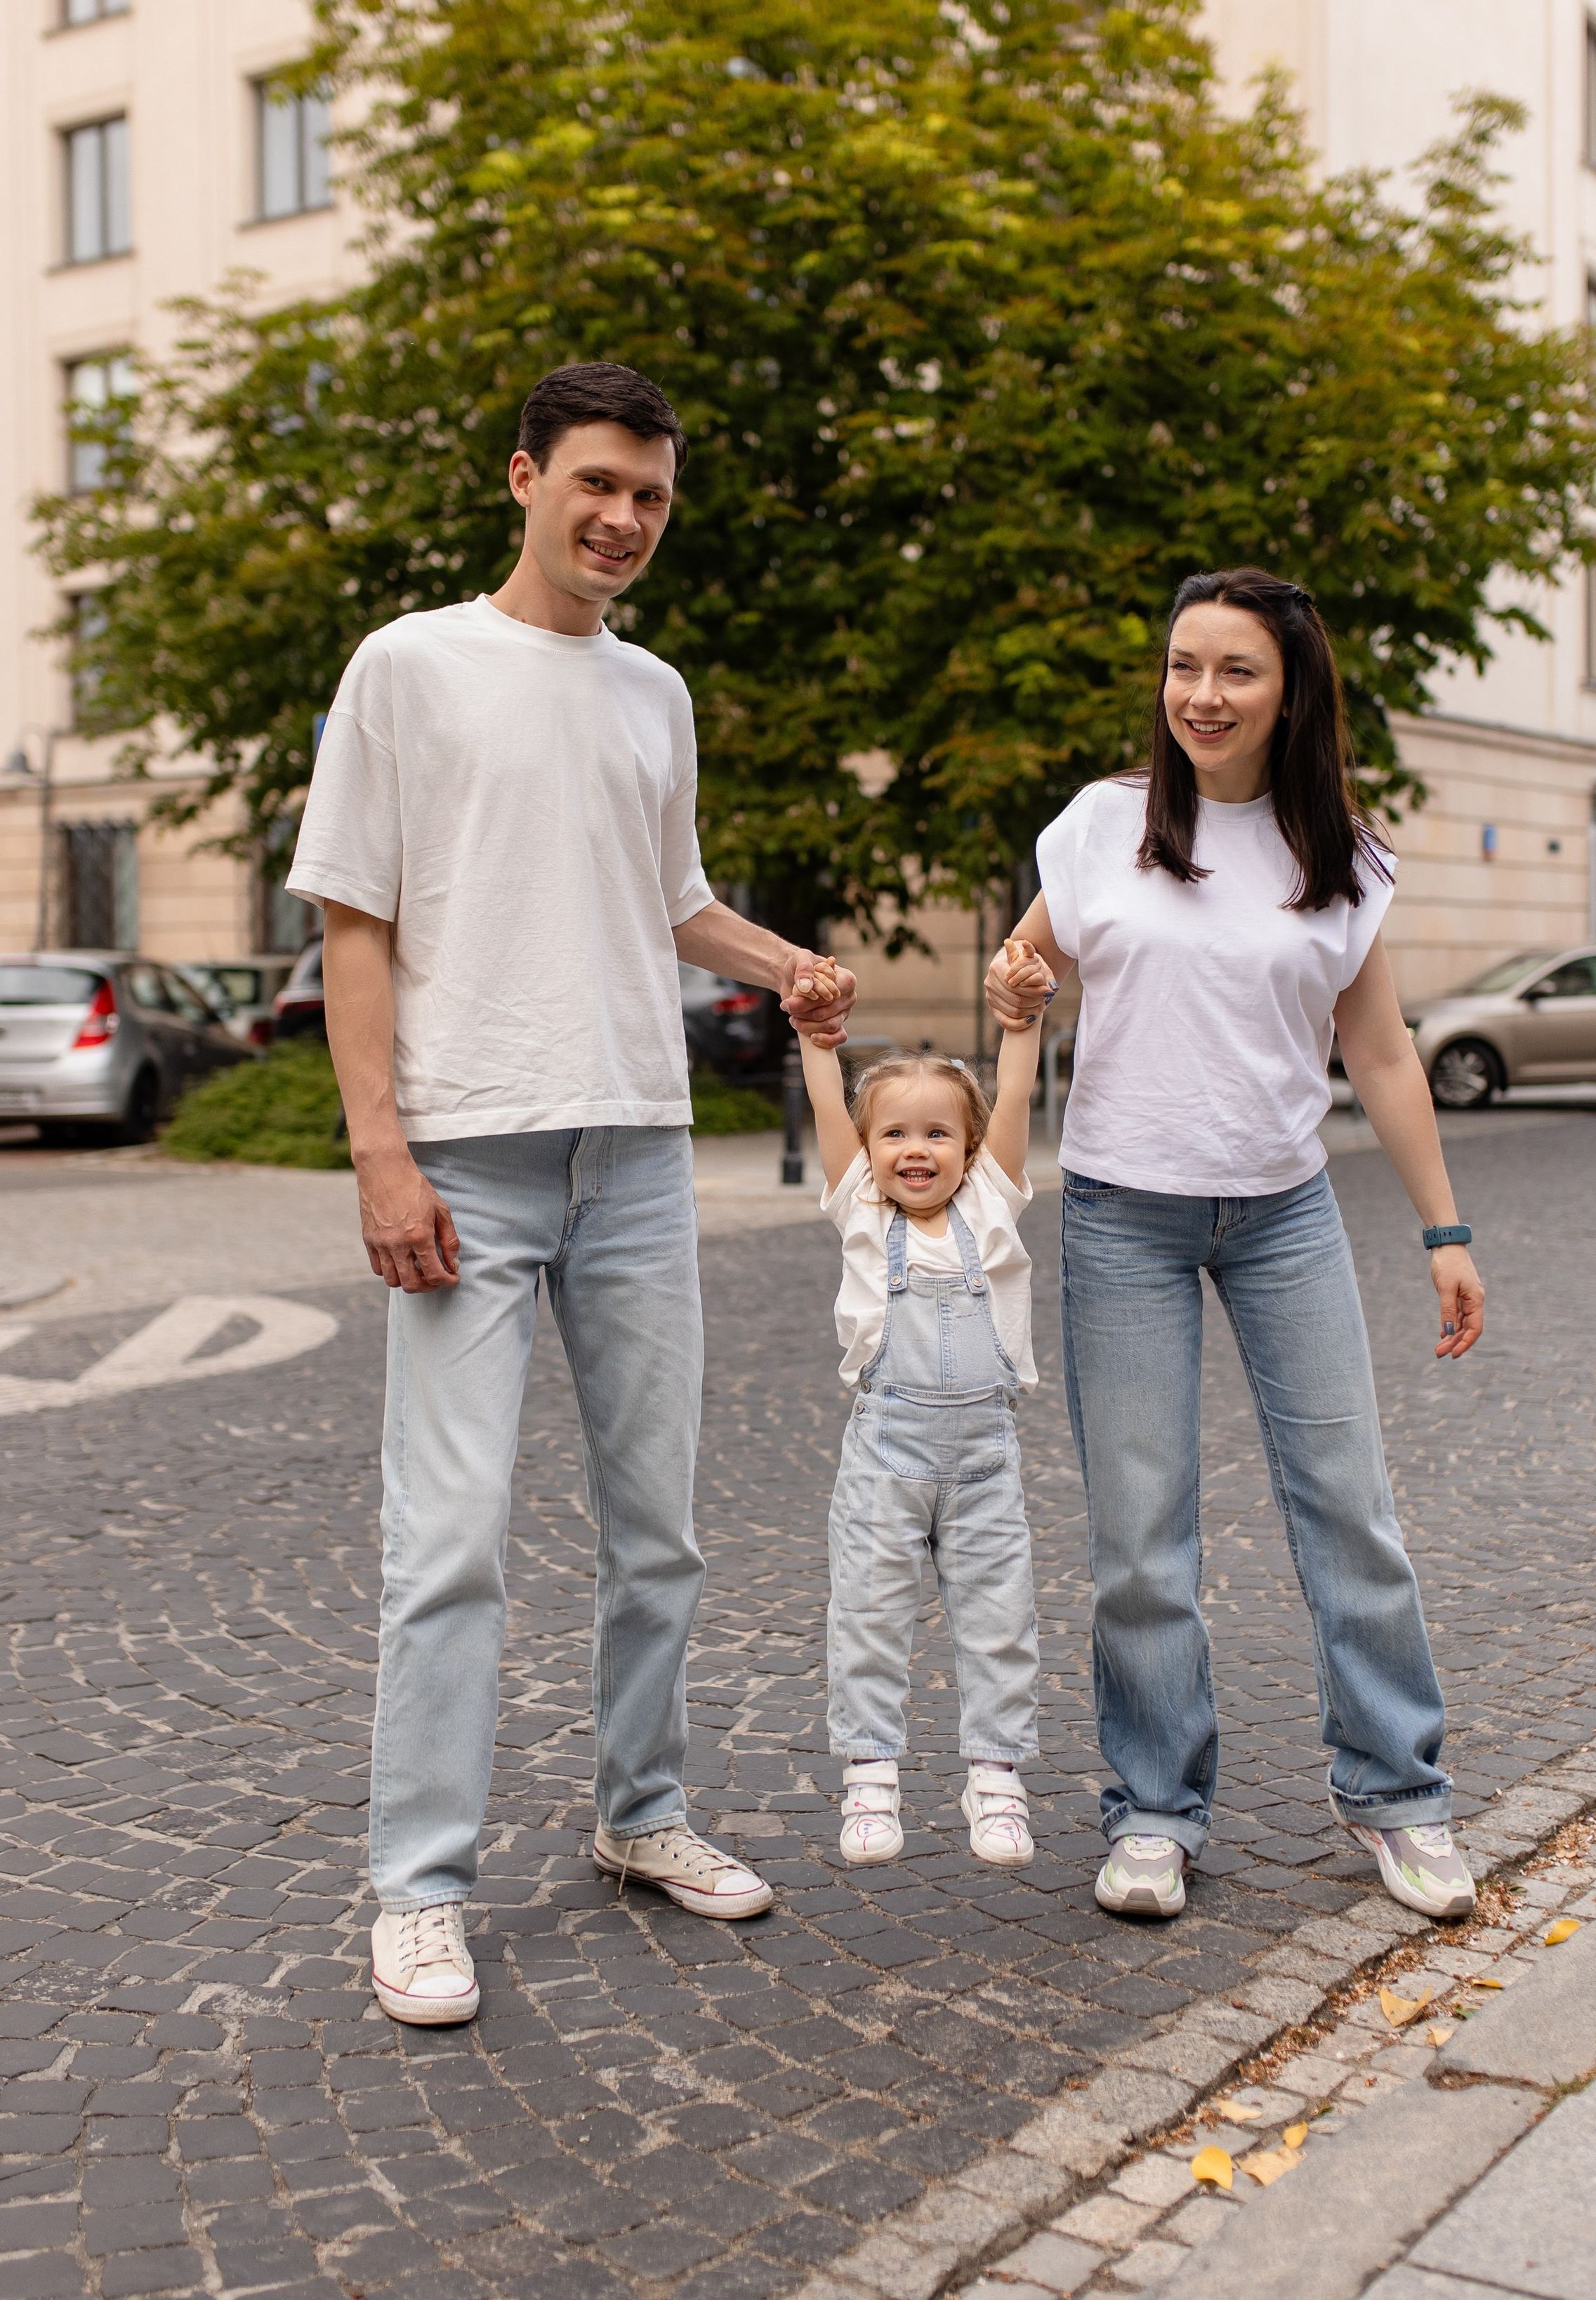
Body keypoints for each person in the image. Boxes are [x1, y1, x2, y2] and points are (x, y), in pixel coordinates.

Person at [288, 360, 856, 2028]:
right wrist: (379, 1151)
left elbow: (668, 893)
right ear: (523, 475)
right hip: (466, 1153)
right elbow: (355, 924)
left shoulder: (655, 693)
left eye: (653, 498)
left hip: (634, 1148)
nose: (623, 520)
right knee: (448, 1538)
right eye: (597, 484)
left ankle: (642, 1812)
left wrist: (786, 965)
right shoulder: (408, 665)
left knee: (659, 1528)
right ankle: (416, 1885)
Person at [986, 567, 1485, 1926]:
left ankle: (1397, 1792)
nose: (1202, 695)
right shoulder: (1101, 827)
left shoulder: (1341, 859)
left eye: (1237, 671)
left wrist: (1443, 1228)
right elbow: (1025, 970)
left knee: (1349, 1506)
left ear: (1291, 689)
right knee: (1141, 1535)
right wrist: (1019, 987)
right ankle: (1154, 1809)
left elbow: (1378, 1052)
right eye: (1184, 665)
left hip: (1284, 1214)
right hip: (1120, 1212)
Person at [797, 941, 1057, 1870]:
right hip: (887, 1453)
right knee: (868, 1611)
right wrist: (814, 1036)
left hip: (986, 1458)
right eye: (896, 1135)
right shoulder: (863, 1215)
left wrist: (1018, 1024)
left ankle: (996, 1778)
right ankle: (871, 1776)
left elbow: (1017, 1096)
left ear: (971, 1150)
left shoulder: (991, 1205)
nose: (917, 1149)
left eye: (939, 1134)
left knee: (999, 1616)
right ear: (868, 1156)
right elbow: (827, 1103)